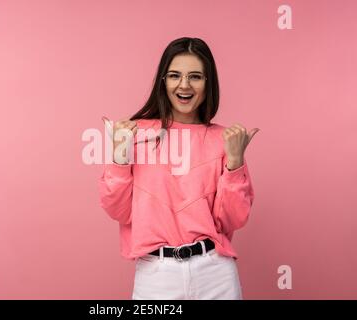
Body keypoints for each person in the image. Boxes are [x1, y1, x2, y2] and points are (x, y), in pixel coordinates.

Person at [98, 37, 260, 300]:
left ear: (208, 84)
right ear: (163, 81)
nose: (184, 85)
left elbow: (232, 220)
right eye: (174, 75)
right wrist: (119, 156)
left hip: (215, 273)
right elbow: (119, 211)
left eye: (195, 77)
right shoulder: (135, 133)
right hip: (156, 275)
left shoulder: (225, 139)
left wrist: (235, 163)